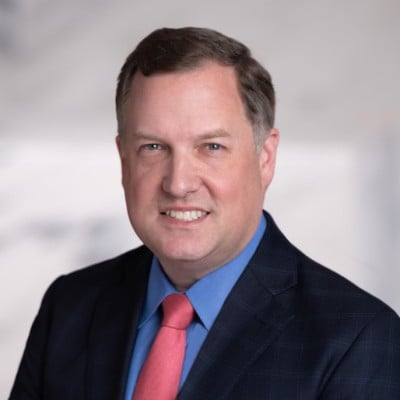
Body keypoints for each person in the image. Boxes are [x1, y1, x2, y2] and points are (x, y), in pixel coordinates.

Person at [10, 27, 400, 400]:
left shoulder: (356, 340)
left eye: (211, 147)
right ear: (124, 159)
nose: (178, 183)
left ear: (265, 157)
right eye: (152, 147)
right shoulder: (70, 307)